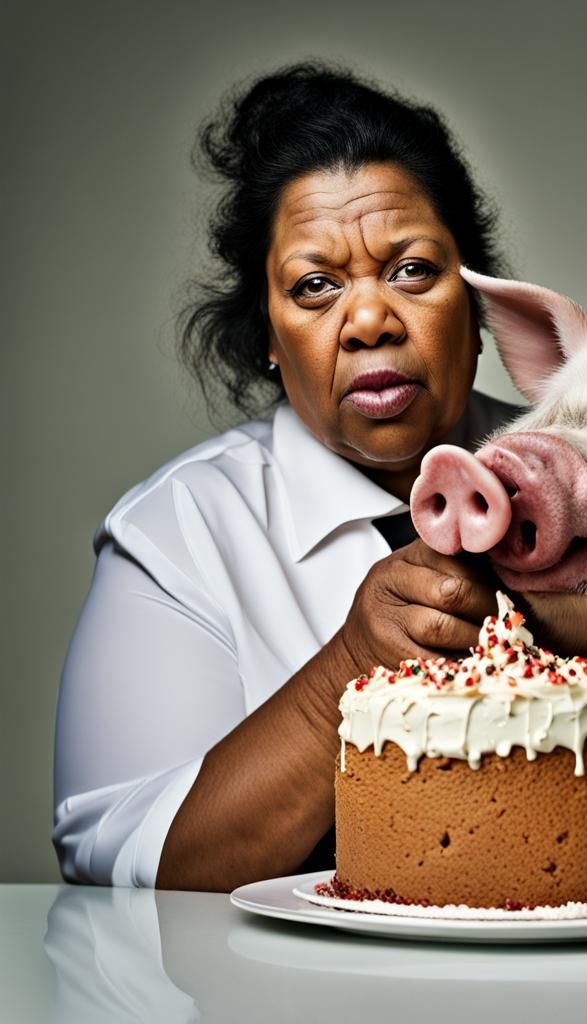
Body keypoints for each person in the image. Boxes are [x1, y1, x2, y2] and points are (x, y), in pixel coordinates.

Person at [52, 61, 521, 891]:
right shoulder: (177, 534)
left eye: (412, 269)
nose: (371, 318)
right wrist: (348, 670)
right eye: (315, 286)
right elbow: (117, 858)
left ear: (478, 303)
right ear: (267, 337)